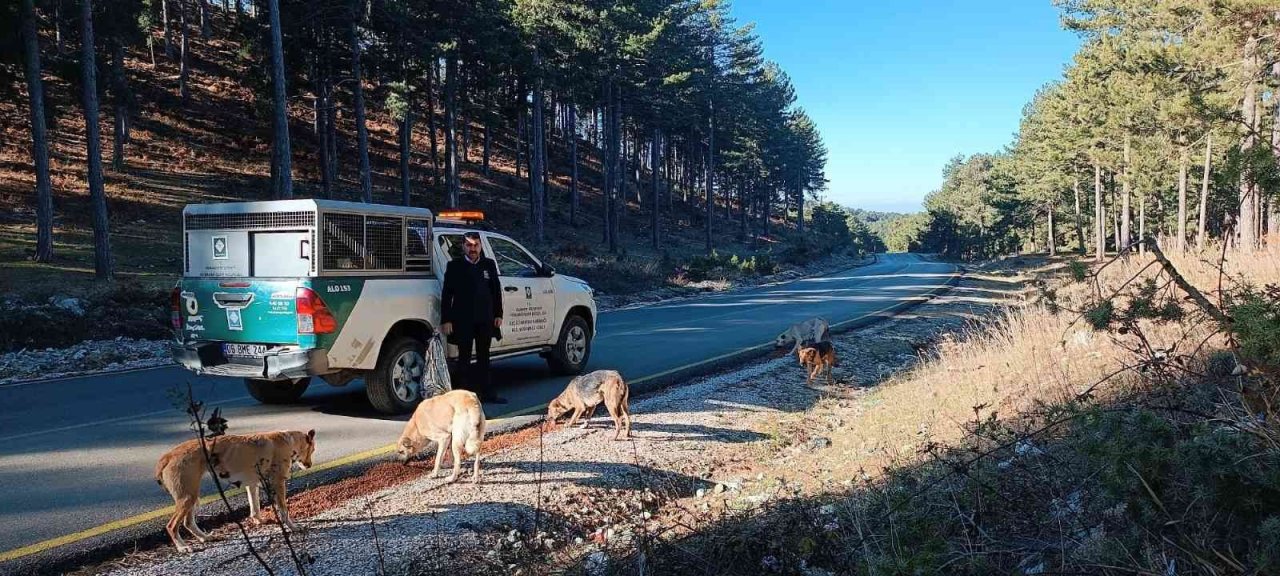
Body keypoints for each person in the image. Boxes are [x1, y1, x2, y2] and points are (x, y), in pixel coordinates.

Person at [441, 232, 507, 404]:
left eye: (476, 245)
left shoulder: (489, 265)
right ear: (463, 246)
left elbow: (496, 291)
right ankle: (463, 398)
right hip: (463, 320)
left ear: (481, 246)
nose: (473, 249)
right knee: (464, 358)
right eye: (469, 245)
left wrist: (498, 314)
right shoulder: (454, 266)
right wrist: (446, 319)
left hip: (485, 319)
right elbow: (447, 294)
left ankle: (487, 394)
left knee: (484, 357)